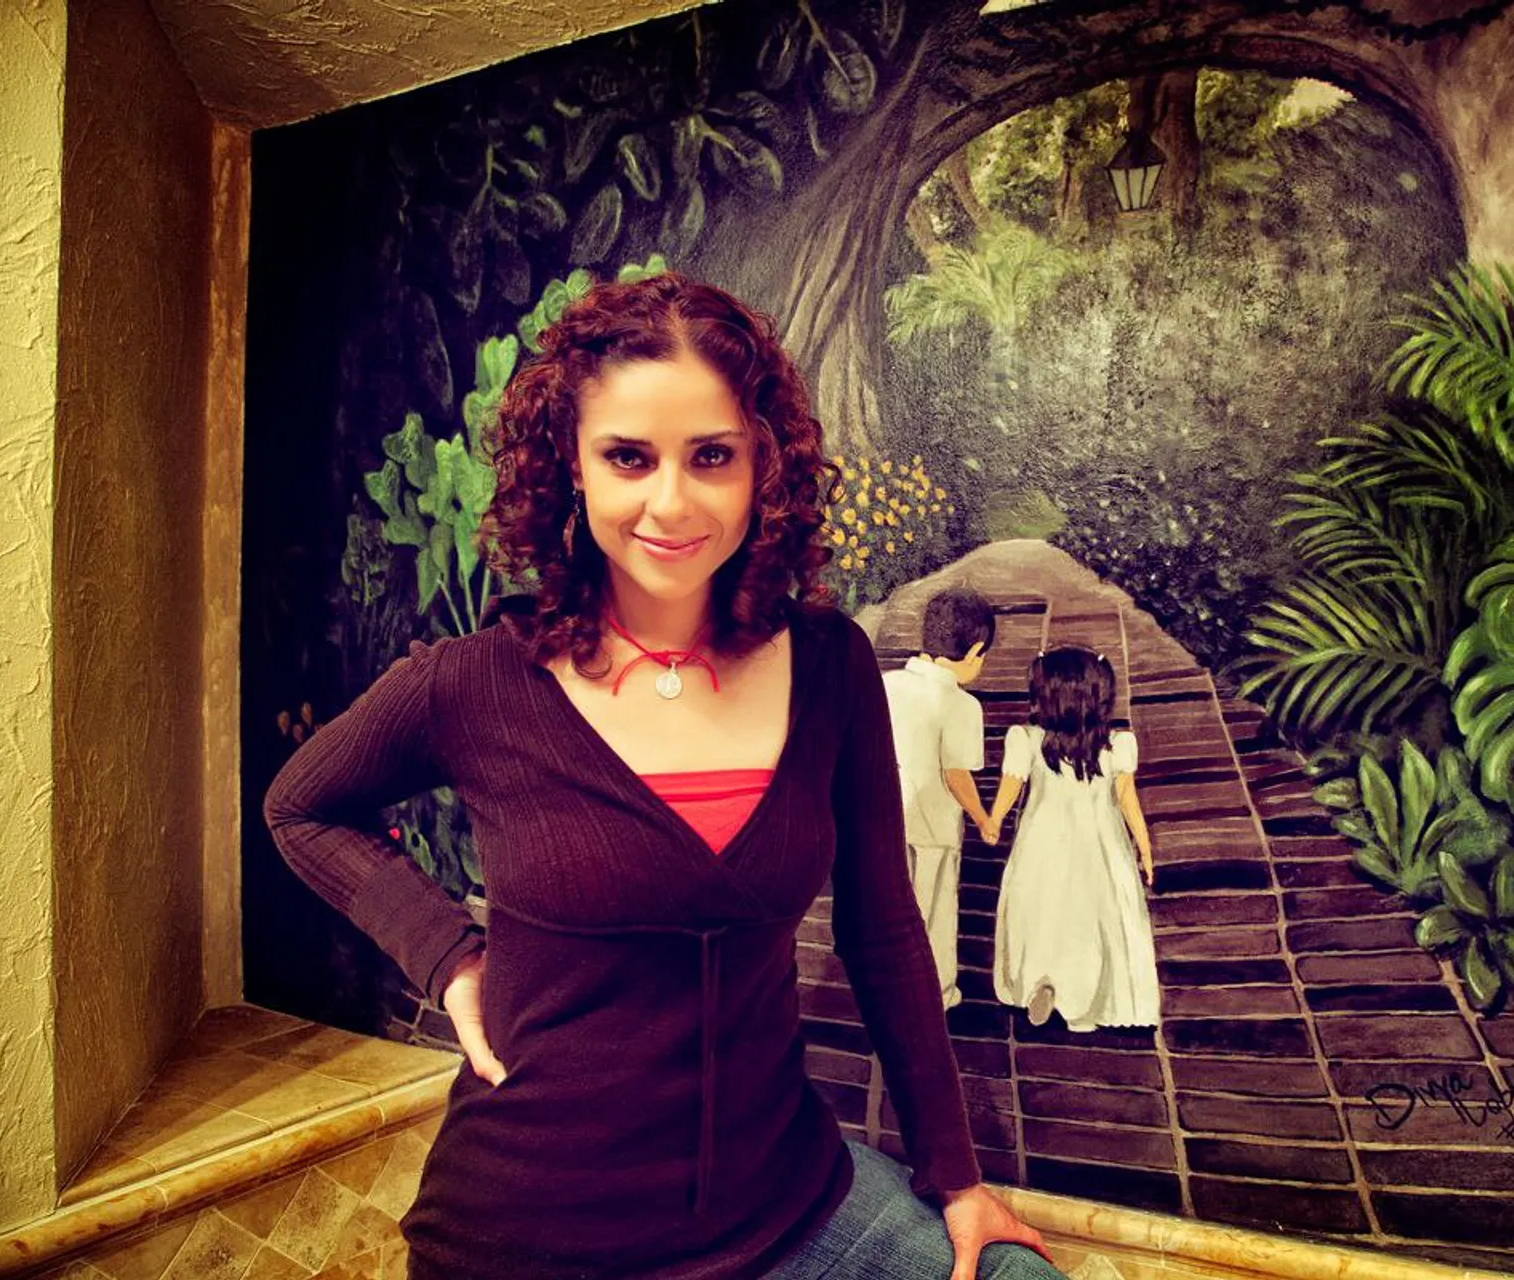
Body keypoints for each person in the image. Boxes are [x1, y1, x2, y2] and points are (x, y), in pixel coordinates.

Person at [263, 274, 1060, 1280]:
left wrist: (956, 1174)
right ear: (573, 464)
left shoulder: (831, 663)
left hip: (790, 1204)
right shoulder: (472, 682)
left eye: (712, 455)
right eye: (628, 457)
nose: (672, 502)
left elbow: (884, 927)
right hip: (532, 1235)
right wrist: (448, 955)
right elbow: (300, 807)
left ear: (762, 464)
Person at [983, 648, 1159, 1033]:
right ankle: (1083, 1003)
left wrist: (992, 820)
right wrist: (1144, 848)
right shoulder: (1117, 745)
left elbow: (1011, 787)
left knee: (1040, 910)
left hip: (1042, 841)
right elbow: (1127, 800)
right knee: (1092, 918)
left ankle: (1040, 980)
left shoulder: (1027, 740)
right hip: (1101, 846)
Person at [883, 586, 996, 1011]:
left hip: (884, 822)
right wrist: (982, 817)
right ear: (975, 651)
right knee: (933, 911)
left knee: (888, 908)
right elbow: (956, 776)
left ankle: (886, 986)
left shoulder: (885, 684)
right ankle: (935, 993)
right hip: (933, 827)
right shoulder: (963, 706)